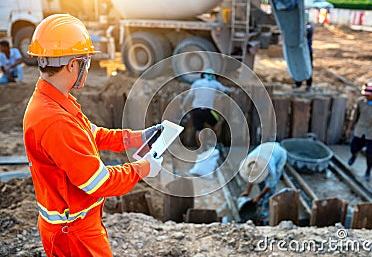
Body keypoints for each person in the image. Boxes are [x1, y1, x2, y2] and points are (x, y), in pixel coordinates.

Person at [23, 14, 164, 256]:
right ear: (72, 65)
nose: (87, 69)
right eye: (85, 62)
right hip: (74, 234)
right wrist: (143, 169)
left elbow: (94, 135)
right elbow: (98, 182)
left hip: (75, 225)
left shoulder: (55, 102)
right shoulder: (55, 120)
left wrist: (139, 138)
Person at [182, 68, 233, 152]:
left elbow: (189, 96)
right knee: (217, 123)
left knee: (198, 130)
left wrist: (183, 106)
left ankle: (201, 149)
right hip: (207, 110)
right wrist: (232, 90)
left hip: (196, 110)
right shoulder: (214, 83)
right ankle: (213, 144)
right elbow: (226, 90)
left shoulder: (196, 83)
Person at [345, 83, 372, 182]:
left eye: (369, 95)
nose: (367, 97)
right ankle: (353, 155)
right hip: (360, 130)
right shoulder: (360, 102)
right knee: (354, 147)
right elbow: (354, 117)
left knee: (370, 153)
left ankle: (368, 170)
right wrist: (349, 129)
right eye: (366, 95)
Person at [239, 142, 287, 225]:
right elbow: (252, 177)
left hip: (279, 154)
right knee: (261, 183)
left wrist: (259, 196)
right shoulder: (250, 161)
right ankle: (262, 199)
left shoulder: (271, 169)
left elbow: (270, 186)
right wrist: (248, 191)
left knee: (271, 189)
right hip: (266, 149)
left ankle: (266, 207)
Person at [293, 21, 314, 90]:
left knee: (308, 67)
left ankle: (308, 84)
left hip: (308, 51)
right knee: (298, 67)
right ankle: (298, 83)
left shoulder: (309, 26)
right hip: (299, 51)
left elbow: (309, 29)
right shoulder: (299, 27)